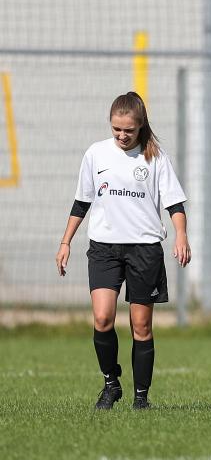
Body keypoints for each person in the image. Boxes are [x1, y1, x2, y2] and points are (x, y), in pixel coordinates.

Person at [55, 91, 190, 410]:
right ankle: (110, 384)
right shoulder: (96, 154)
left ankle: (141, 398)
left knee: (141, 326)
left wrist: (181, 235)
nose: (122, 135)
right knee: (103, 317)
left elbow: (175, 204)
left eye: (128, 130)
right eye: (116, 129)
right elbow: (82, 201)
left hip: (145, 249)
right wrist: (65, 242)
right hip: (104, 248)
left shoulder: (155, 157)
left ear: (140, 125)